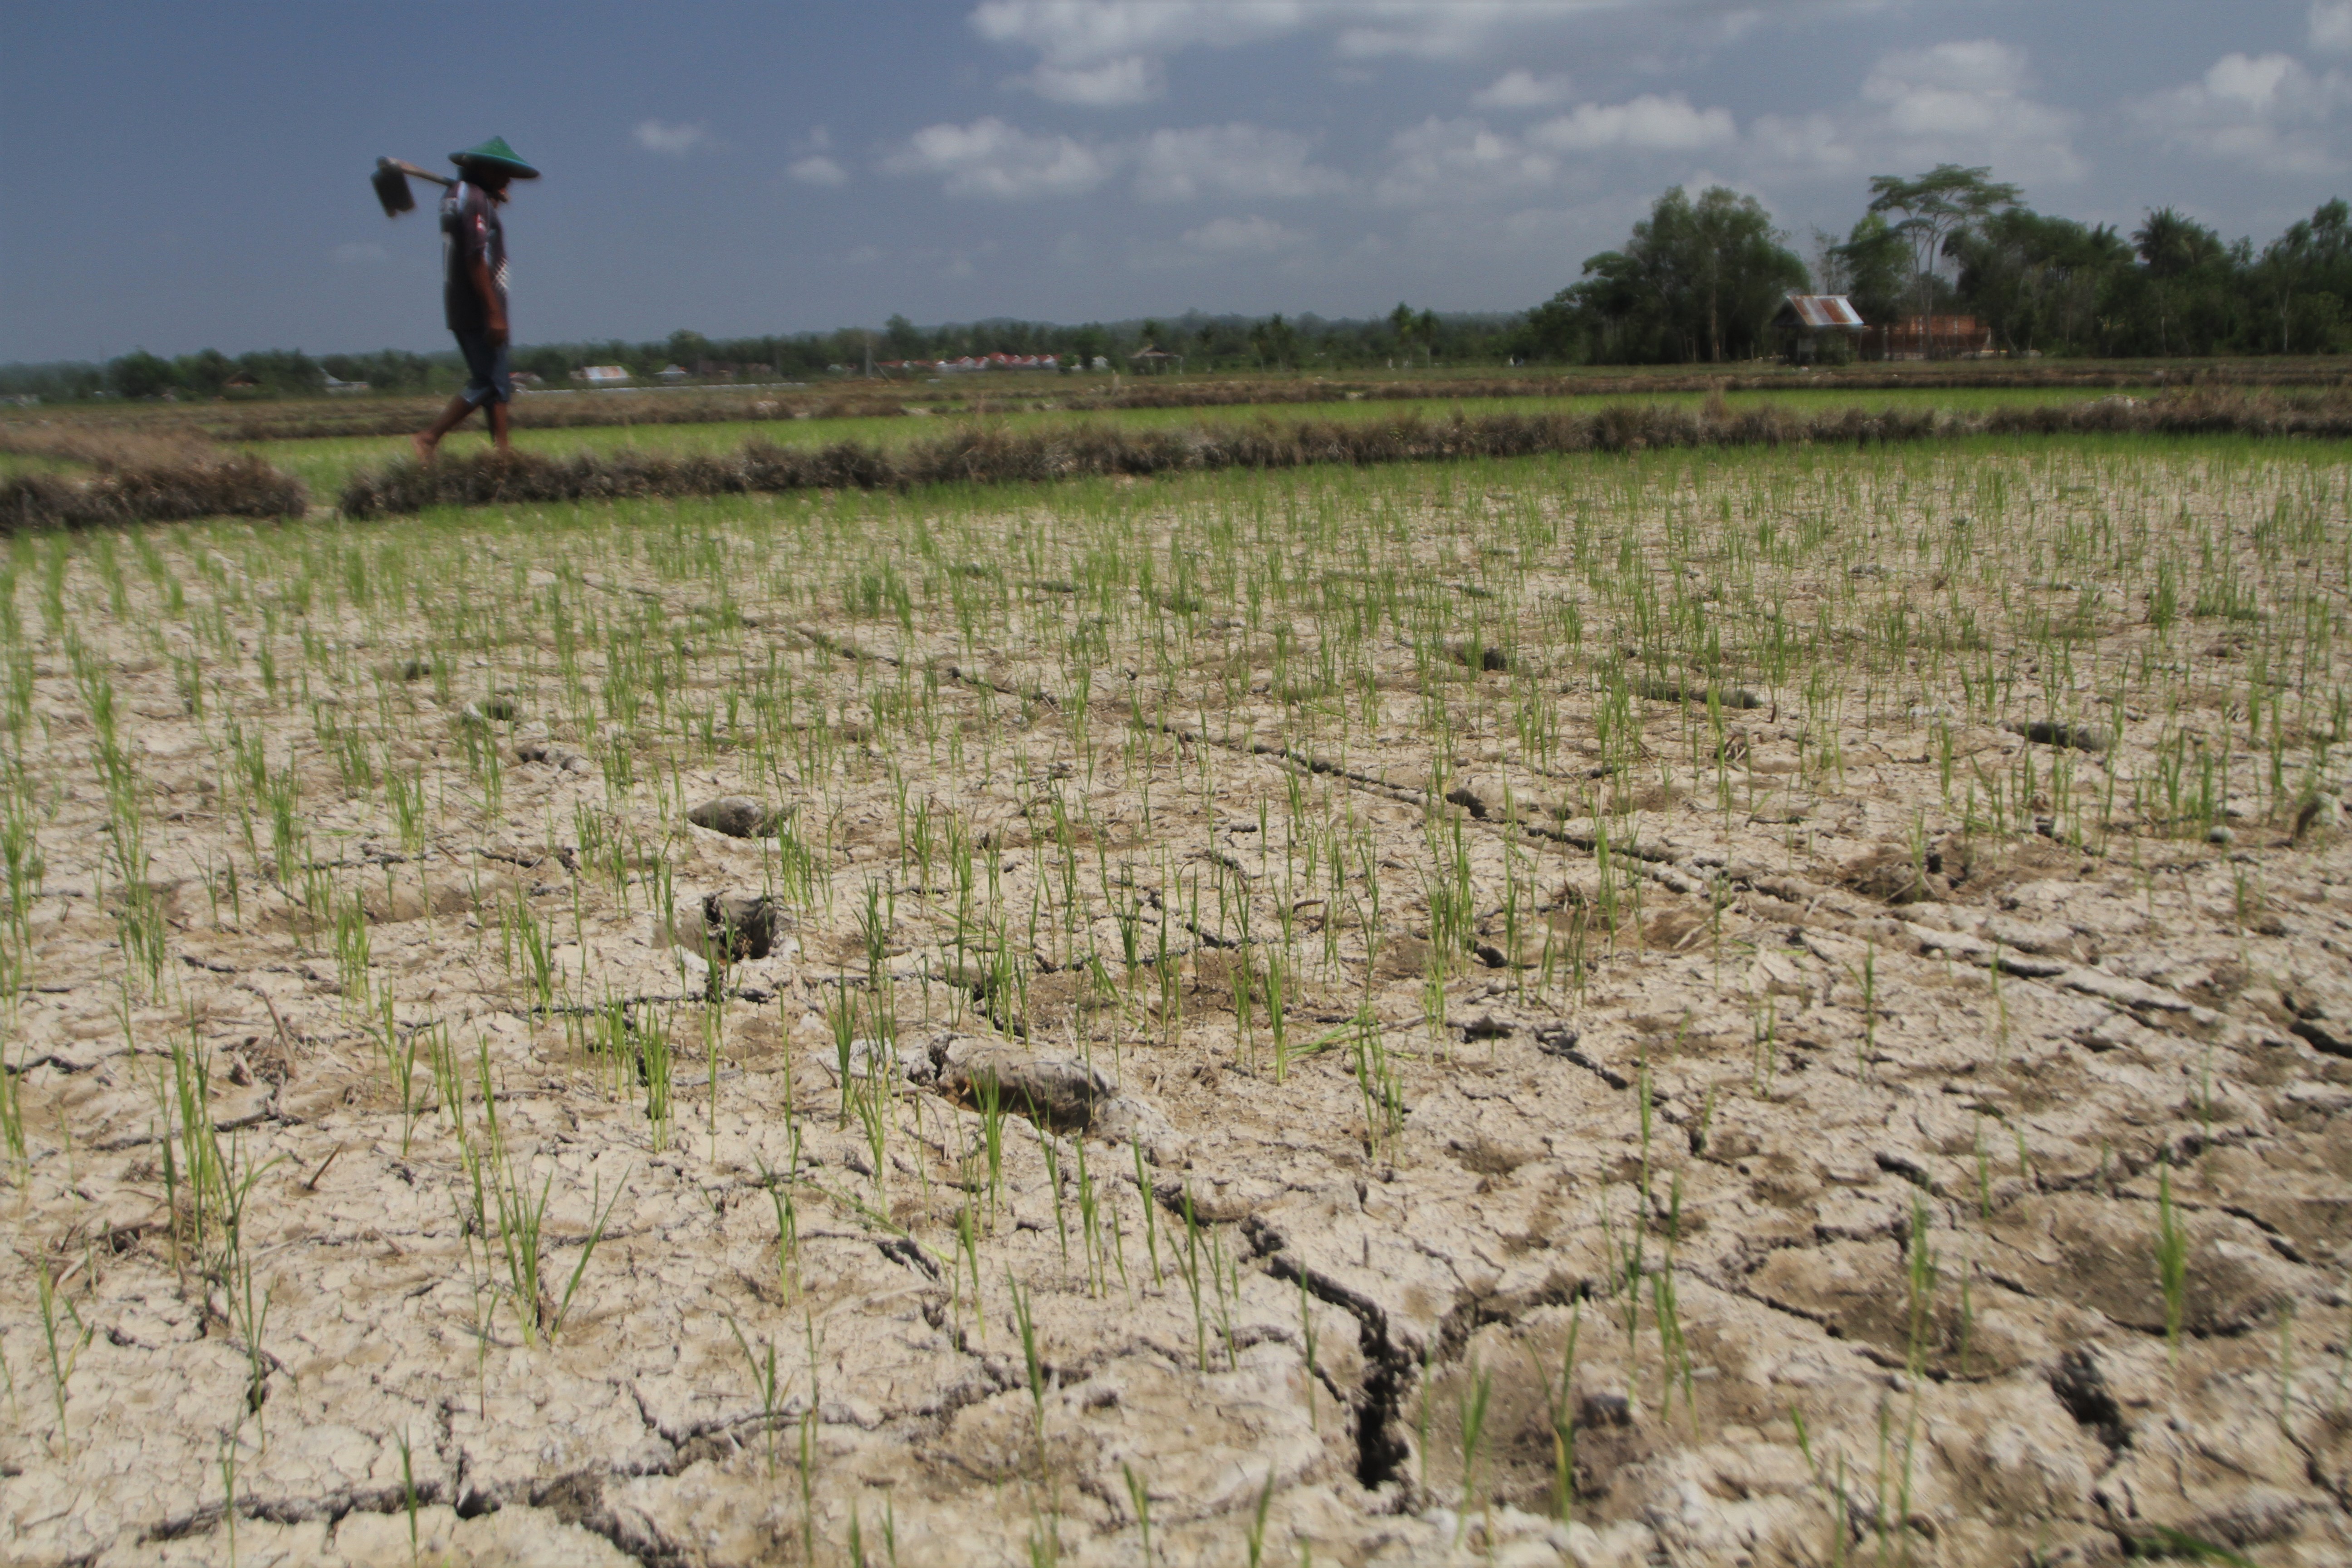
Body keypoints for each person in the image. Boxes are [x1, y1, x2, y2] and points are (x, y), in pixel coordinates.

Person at [412, 137, 538, 461]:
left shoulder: (459, 196)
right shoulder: (474, 199)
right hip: (481, 305)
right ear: (484, 169)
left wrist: (490, 201)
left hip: (461, 304)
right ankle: (430, 436)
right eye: (503, 173)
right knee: (488, 382)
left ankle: (502, 454)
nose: (508, 180)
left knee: (497, 383)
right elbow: (474, 256)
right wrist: (494, 313)